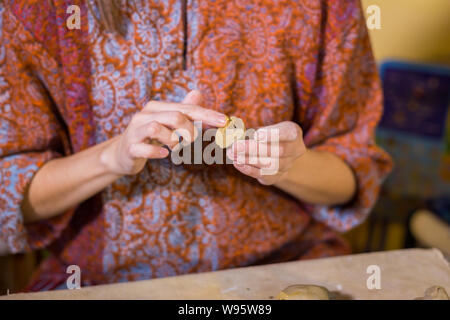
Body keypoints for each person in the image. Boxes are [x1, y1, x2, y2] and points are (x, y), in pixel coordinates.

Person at [0, 0, 392, 290]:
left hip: (284, 270)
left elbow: (353, 173)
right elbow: (10, 195)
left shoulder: (324, 7)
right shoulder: (36, 11)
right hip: (103, 282)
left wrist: (291, 166)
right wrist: (111, 158)